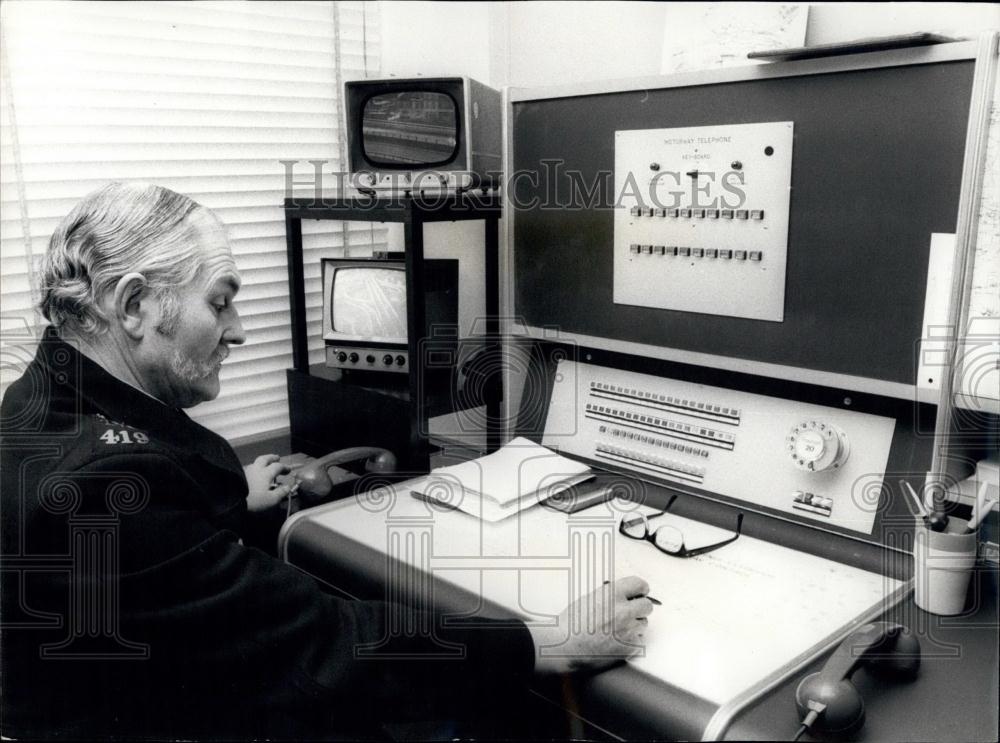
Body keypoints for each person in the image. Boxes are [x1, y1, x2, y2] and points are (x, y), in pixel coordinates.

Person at [0, 182, 653, 739]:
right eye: (219, 300)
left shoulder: (39, 401)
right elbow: (327, 645)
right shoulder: (109, 488)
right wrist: (549, 638)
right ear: (135, 305)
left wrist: (226, 496)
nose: (237, 330)